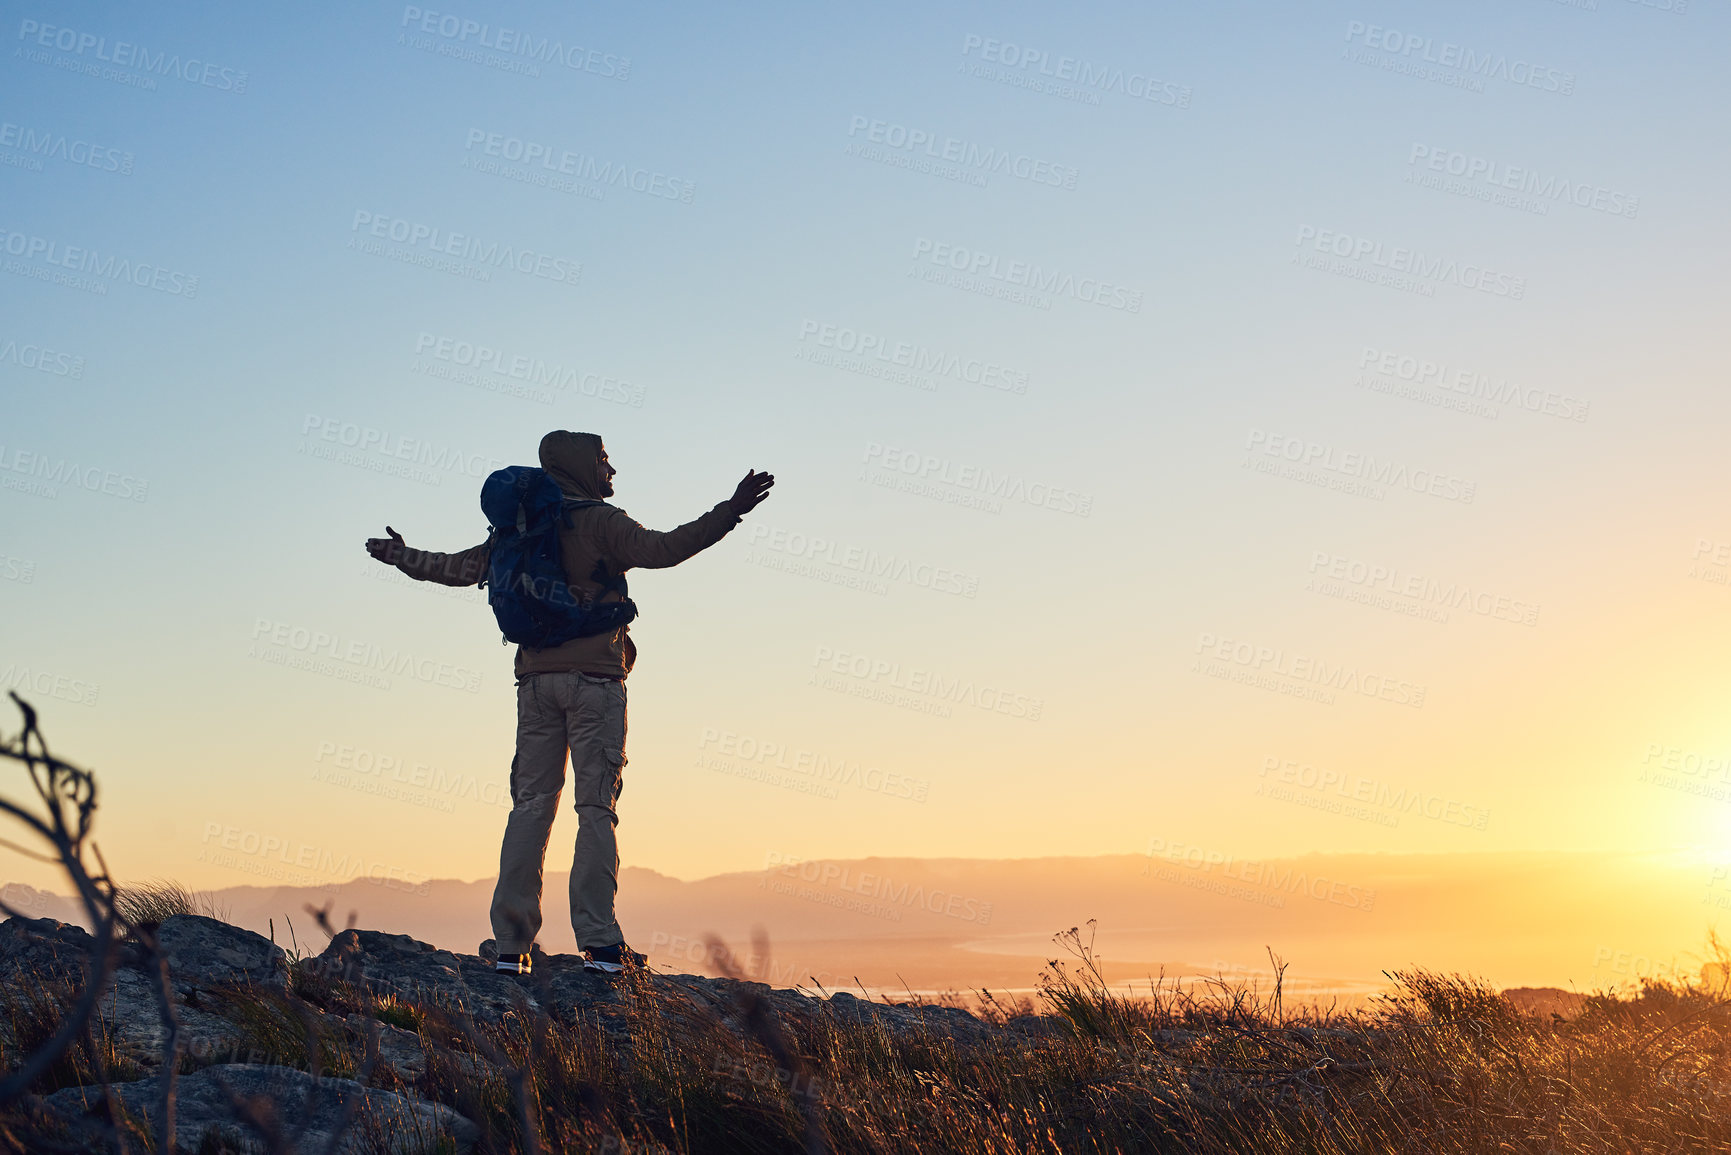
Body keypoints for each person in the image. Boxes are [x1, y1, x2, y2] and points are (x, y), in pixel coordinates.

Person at [365, 430, 774, 973]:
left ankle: (511, 948)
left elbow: (457, 569)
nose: (612, 471)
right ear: (581, 464)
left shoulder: (520, 528)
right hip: (595, 684)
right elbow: (666, 549)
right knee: (595, 809)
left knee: (530, 808)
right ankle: (601, 944)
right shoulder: (601, 523)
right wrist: (732, 510)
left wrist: (402, 557)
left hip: (534, 684)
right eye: (605, 459)